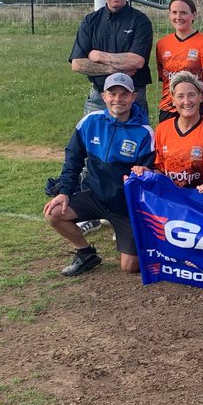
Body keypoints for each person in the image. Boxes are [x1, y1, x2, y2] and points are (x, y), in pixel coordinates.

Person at [43, 73, 155, 276]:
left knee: (130, 268)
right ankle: (86, 254)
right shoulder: (89, 122)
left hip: (125, 206)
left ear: (133, 97)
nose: (117, 99)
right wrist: (65, 192)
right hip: (94, 196)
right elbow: (73, 160)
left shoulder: (144, 133)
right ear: (104, 96)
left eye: (124, 94)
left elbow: (148, 178)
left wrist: (143, 176)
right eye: (112, 93)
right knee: (54, 213)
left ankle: (140, 238)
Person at [69, 0, 154, 115]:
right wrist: (116, 70)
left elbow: (136, 61)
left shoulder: (140, 21)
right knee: (93, 137)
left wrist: (99, 56)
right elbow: (77, 64)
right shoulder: (91, 21)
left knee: (133, 137)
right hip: (99, 96)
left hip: (133, 96)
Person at [135, 72, 203, 192]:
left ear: (201, 97)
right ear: (173, 100)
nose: (186, 101)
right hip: (169, 198)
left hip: (197, 200)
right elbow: (160, 170)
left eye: (191, 95)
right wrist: (147, 173)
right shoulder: (162, 129)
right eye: (180, 96)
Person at [154, 0, 203, 123]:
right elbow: (163, 77)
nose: (178, 17)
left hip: (196, 108)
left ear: (194, 15)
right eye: (174, 12)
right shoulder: (162, 44)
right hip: (169, 107)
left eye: (183, 13)